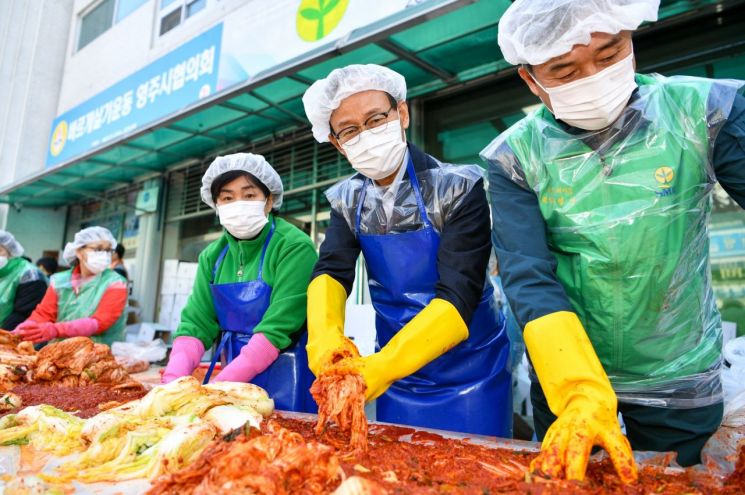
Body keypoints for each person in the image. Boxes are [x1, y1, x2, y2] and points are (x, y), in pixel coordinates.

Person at [481, 0, 745, 482]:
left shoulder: (701, 113)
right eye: (564, 70)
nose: (594, 78)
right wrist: (578, 389)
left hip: (677, 373)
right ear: (530, 80)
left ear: (630, 38)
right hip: (567, 369)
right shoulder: (515, 157)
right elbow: (527, 274)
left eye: (609, 55)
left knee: (677, 484)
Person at [302, 64, 512, 436]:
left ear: (402, 113)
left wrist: (383, 366)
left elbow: (458, 292)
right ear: (337, 142)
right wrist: (324, 337)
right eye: (350, 130)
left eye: (375, 119)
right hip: (397, 377)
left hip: (471, 371)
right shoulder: (348, 200)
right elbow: (332, 269)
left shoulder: (458, 188)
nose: (365, 135)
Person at [160, 153, 318, 413]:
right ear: (216, 205)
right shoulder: (213, 256)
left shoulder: (293, 246)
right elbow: (197, 322)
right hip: (231, 370)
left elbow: (277, 327)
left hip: (288, 375)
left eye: (249, 195)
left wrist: (220, 386)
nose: (238, 204)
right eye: (227, 198)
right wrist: (172, 381)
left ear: (269, 201)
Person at [14, 227, 128, 345]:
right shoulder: (60, 281)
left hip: (99, 355)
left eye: (108, 250)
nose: (104, 255)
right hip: (59, 352)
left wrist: (56, 329)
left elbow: (99, 322)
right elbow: (44, 314)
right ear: (78, 251)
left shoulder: (116, 283)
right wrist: (25, 329)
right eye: (98, 249)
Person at [0, 231, 47, 330]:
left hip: (13, 337)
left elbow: (23, 314)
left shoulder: (29, 275)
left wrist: (3, 337)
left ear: (11, 252)